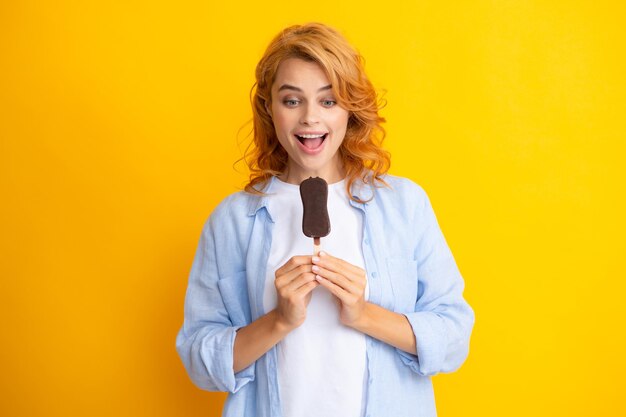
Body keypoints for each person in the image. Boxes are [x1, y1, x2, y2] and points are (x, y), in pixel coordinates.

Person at [176, 22, 475, 417]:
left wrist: (363, 314)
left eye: (329, 101)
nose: (310, 119)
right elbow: (199, 361)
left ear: (350, 109)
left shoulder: (404, 205)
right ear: (270, 109)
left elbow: (454, 337)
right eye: (292, 100)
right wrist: (279, 321)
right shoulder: (232, 221)